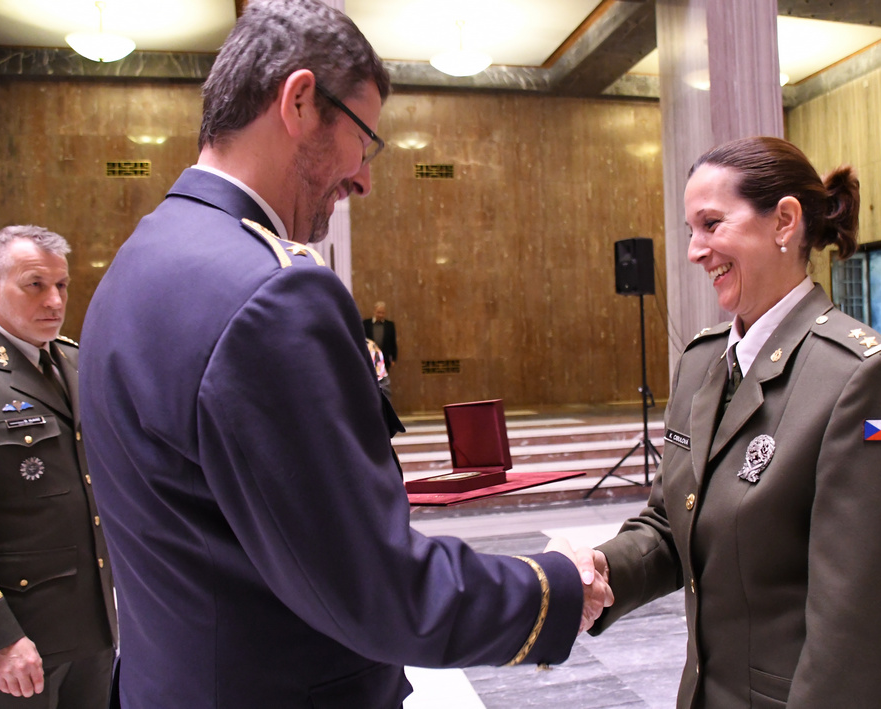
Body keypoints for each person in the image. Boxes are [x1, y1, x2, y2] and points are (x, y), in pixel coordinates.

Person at [78, 1, 612, 707]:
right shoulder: (271, 293)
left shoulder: (140, 258)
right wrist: (556, 583)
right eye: (365, 140)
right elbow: (379, 587)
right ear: (300, 101)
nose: (363, 178)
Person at [580, 136, 881, 708]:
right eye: (690, 230)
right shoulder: (701, 362)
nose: (695, 251)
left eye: (711, 224)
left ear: (784, 221)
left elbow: (864, 624)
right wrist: (598, 573)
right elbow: (672, 524)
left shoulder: (861, 378)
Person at [0, 225, 116, 707]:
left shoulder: (74, 362)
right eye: (35, 285)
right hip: (17, 635)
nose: (54, 301)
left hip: (93, 624)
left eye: (61, 285)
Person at [363, 301, 397, 368]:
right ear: (374, 311)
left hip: (384, 358)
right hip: (370, 358)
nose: (380, 315)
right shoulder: (366, 324)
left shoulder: (390, 325)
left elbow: (393, 343)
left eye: (382, 313)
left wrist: (393, 358)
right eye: (378, 312)